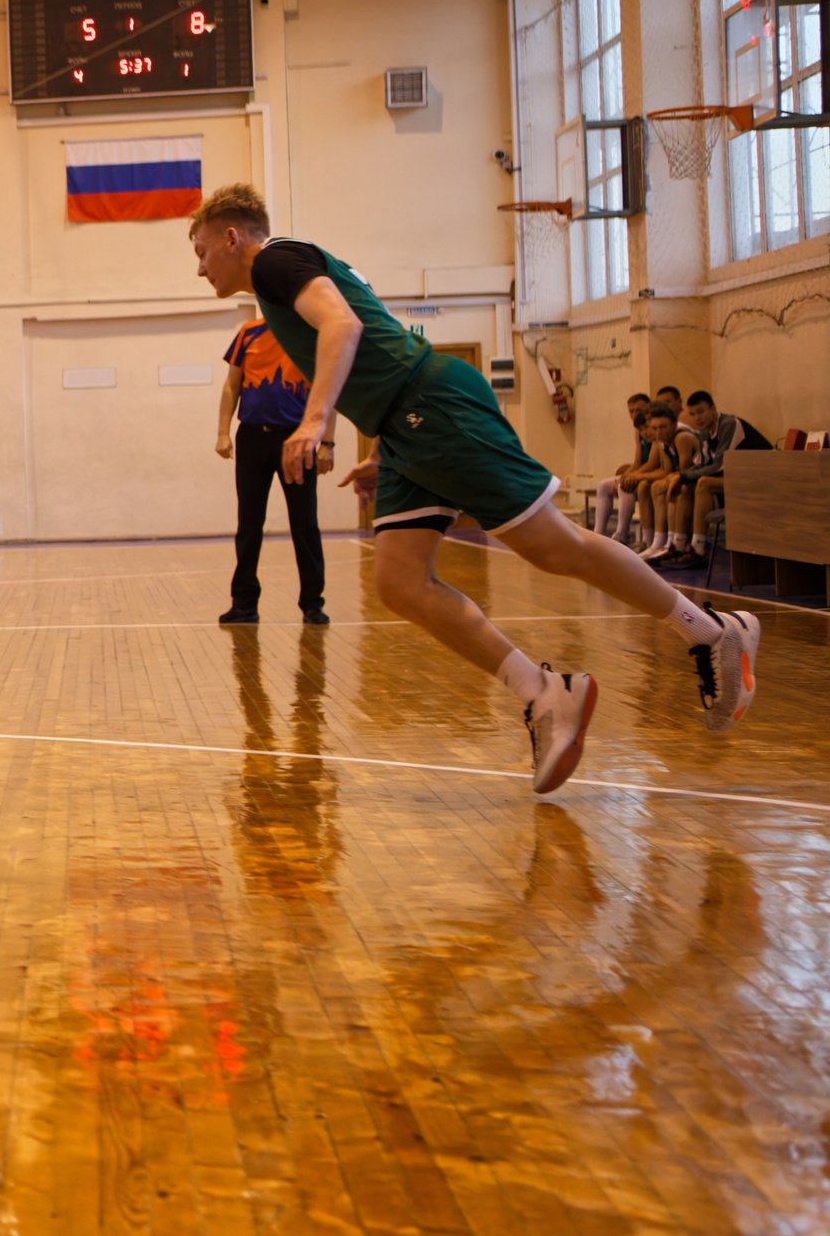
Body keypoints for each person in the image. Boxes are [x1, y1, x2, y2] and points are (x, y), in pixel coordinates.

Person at [186, 183, 760, 795]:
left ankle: (712, 632)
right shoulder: (283, 275)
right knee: (400, 583)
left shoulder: (273, 261)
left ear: (232, 237)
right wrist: (379, 446)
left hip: (431, 407)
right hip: (403, 427)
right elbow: (372, 340)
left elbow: (343, 325)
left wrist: (315, 421)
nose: (199, 269)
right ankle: (545, 693)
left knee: (554, 547)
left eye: (200, 251)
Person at [215, 313, 329, 625]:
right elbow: (232, 385)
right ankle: (244, 604)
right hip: (252, 437)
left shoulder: (311, 334)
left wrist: (327, 443)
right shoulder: (249, 333)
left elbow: (327, 392)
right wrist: (223, 432)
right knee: (249, 522)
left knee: (305, 522)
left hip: (297, 438)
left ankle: (312, 604)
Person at [652, 391, 773, 569]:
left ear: (713, 409)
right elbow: (701, 464)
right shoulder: (705, 433)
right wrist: (680, 478)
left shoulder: (729, 424)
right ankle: (678, 545)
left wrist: (682, 476)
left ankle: (699, 549)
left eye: (701, 412)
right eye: (693, 414)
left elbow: (720, 466)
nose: (697, 418)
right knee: (686, 486)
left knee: (703, 483)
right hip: (735, 482)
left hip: (760, 481)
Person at [592, 393, 653, 542]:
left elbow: (652, 463)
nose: (634, 414)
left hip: (650, 473)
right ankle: (598, 533)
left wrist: (627, 478)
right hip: (642, 471)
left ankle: (621, 533)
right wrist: (624, 476)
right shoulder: (639, 431)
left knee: (624, 486)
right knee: (603, 485)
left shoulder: (654, 430)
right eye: (631, 411)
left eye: (638, 410)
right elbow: (637, 462)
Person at [631, 401, 685, 558]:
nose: (656, 431)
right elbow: (667, 470)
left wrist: (638, 475)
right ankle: (651, 542)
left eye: (661, 427)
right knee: (645, 486)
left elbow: (684, 472)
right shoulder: (662, 441)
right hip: (678, 477)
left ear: (673, 425)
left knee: (664, 488)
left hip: (689, 481)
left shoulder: (681, 437)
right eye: (654, 428)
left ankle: (670, 543)